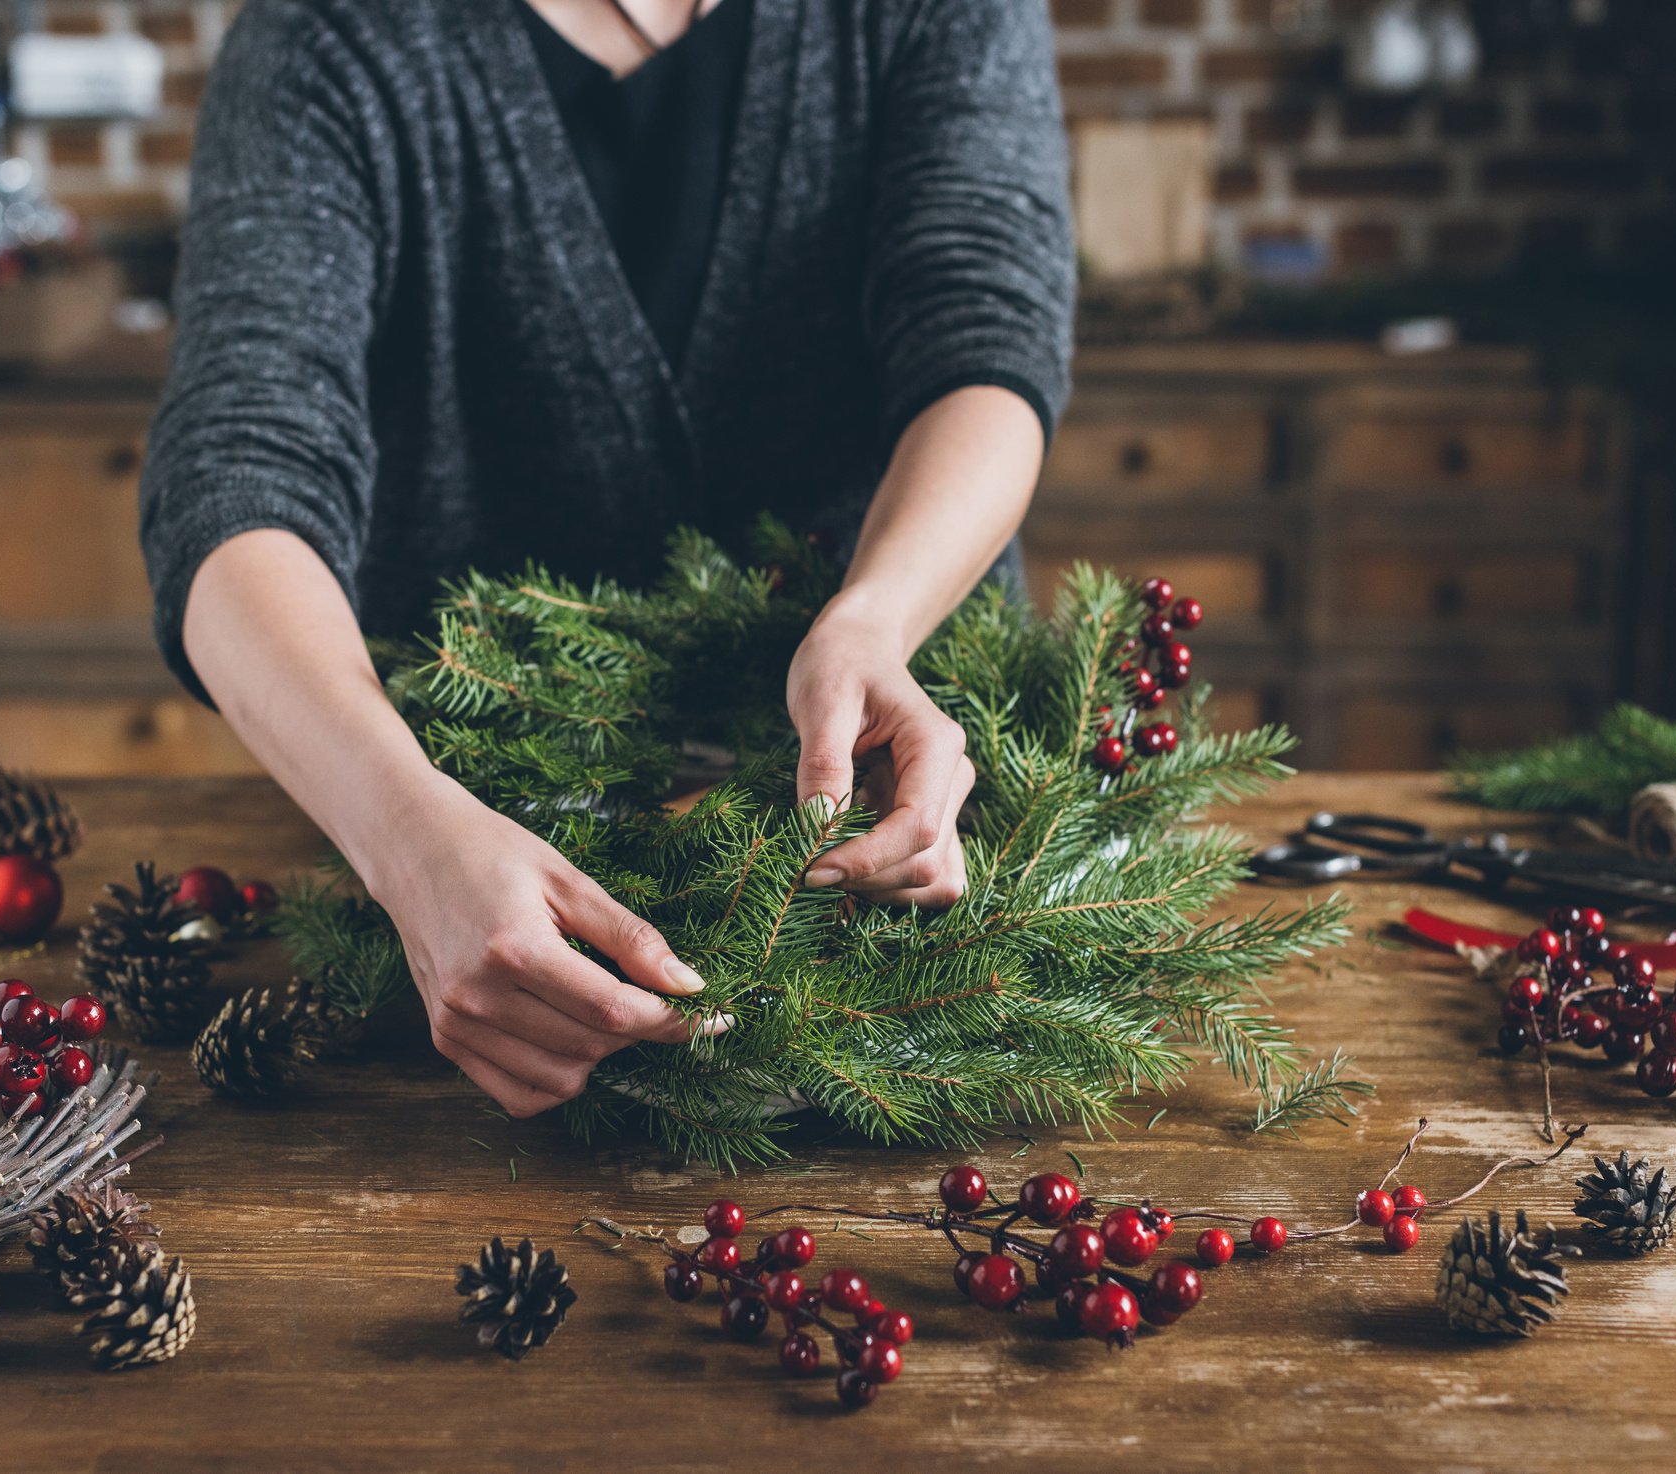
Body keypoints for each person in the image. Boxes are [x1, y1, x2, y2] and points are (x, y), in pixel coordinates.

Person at [139, 0, 1074, 1117]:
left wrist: (873, 618)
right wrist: (405, 831)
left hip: (909, 879)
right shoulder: (325, 35)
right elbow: (239, 465)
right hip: (468, 864)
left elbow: (987, 335)